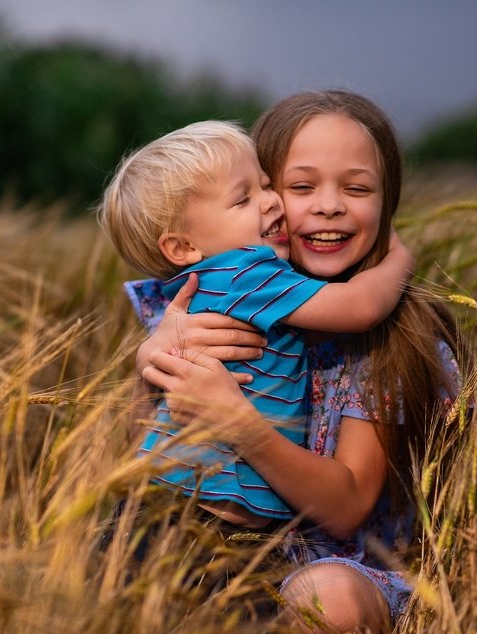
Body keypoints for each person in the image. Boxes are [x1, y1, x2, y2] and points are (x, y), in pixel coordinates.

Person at [132, 91, 463, 634]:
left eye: (357, 189)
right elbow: (149, 450)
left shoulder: (388, 341)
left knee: (325, 604)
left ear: (388, 204)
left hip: (342, 564)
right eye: (300, 186)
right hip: (224, 547)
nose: (328, 206)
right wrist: (153, 364)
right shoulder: (214, 306)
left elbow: (349, 505)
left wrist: (240, 424)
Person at [99, 120, 414, 528]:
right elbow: (362, 306)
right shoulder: (247, 272)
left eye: (266, 186)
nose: (270, 203)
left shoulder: (203, 289)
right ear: (182, 246)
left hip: (172, 507)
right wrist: (401, 258)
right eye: (242, 199)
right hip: (187, 517)